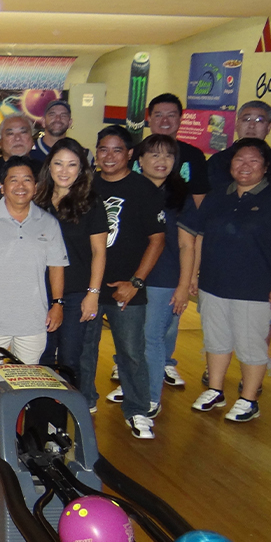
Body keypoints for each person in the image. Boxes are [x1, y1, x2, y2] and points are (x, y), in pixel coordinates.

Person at [181, 138, 271, 422]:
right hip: (214, 284)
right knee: (216, 340)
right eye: (239, 160)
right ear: (230, 164)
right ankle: (216, 390)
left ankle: (249, 399)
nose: (245, 166)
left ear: (265, 167)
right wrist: (195, 275)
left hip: (254, 289)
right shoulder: (218, 196)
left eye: (253, 161)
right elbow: (199, 238)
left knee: (250, 345)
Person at [81, 125, 165, 440]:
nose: (109, 155)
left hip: (126, 287)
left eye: (117, 150)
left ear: (130, 154)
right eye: (103, 149)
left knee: (131, 351)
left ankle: (138, 409)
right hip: (90, 284)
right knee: (84, 349)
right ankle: (85, 401)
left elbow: (157, 240)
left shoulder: (144, 189)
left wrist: (136, 282)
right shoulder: (85, 185)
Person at [106, 135, 194, 413]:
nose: (162, 161)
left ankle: (151, 396)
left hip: (162, 278)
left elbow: (186, 244)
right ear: (139, 160)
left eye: (168, 156)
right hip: (129, 275)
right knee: (132, 339)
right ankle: (135, 386)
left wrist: (184, 285)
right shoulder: (130, 189)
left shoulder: (180, 197)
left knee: (150, 338)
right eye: (154, 155)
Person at [0, 157, 68, 363]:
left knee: (27, 383)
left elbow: (56, 267)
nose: (20, 186)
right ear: (2, 187)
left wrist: (58, 304)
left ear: (35, 187)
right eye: (13, 180)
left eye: (27, 180)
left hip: (33, 320)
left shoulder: (49, 223)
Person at [34, 138, 108, 406]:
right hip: (39, 291)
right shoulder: (36, 201)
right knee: (41, 355)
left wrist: (93, 294)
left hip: (77, 293)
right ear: (49, 167)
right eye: (58, 164)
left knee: (70, 358)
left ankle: (67, 410)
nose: (64, 171)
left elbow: (99, 252)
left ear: (81, 169)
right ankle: (40, 409)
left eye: (72, 165)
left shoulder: (90, 203)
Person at [207, 100, 271, 201]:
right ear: (237, 125)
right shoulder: (217, 161)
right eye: (246, 119)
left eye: (259, 120)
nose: (252, 125)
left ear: (268, 128)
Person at [134, 94, 211, 205]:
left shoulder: (194, 155)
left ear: (180, 119)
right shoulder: (133, 152)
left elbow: (200, 200)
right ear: (149, 119)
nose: (165, 120)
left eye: (171, 115)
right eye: (158, 115)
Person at [0, 114, 42, 190]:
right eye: (10, 134)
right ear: (0, 143)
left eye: (23, 132)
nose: (17, 138)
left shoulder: (44, 172)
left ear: (32, 140)